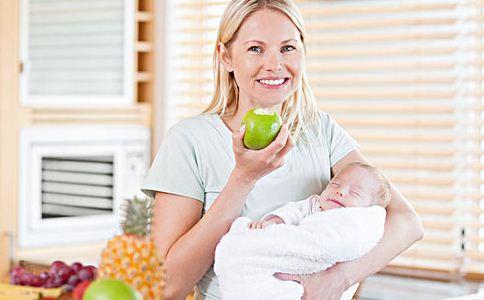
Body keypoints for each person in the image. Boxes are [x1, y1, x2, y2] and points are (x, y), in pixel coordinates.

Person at [141, 0, 424, 299]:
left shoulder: (319, 130)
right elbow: (167, 287)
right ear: (226, 57)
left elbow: (407, 222)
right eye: (255, 49)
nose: (274, 65)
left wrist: (338, 279)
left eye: (287, 48)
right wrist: (243, 178)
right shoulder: (190, 140)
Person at [248, 162, 391, 230]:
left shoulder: (360, 223)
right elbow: (292, 211)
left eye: (354, 193)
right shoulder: (314, 204)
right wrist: (274, 222)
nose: (340, 191)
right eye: (335, 185)